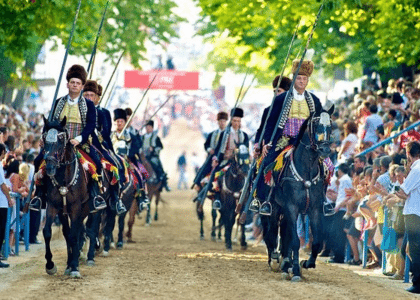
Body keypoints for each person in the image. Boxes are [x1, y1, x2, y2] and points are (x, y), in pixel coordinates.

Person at [251, 57, 333, 216]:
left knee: (329, 166)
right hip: (284, 140)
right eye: (299, 78)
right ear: (294, 79)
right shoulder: (281, 98)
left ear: (308, 81)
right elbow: (270, 124)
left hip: (308, 142)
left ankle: (323, 200)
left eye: (304, 79)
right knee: (265, 163)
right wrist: (267, 143)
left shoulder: (314, 100)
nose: (302, 81)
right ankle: (262, 199)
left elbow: (321, 121)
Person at [30, 64, 106, 213]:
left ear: (82, 86)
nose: (75, 86)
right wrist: (43, 137)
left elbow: (90, 126)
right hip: (59, 144)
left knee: (96, 162)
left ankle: (96, 196)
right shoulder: (59, 102)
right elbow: (50, 123)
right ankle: (39, 196)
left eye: (78, 83)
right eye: (72, 82)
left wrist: (79, 138)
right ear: (68, 84)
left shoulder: (89, 105)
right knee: (39, 160)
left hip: (80, 143)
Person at [83, 80, 126, 214]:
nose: (89, 98)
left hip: (97, 144)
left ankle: (115, 198)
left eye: (91, 95)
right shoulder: (77, 108)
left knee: (115, 164)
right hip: (79, 142)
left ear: (97, 97)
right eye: (86, 95)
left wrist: (98, 135)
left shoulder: (103, 113)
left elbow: (106, 132)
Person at [387, 141, 420, 294]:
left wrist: (397, 194)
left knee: (413, 249)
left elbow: (403, 192)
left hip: (414, 213)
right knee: (409, 248)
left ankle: (418, 282)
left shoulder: (416, 169)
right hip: (415, 212)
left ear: (408, 154)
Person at [211, 107, 249, 210]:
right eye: (234, 121)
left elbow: (246, 150)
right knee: (217, 175)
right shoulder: (224, 134)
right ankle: (218, 199)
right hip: (226, 161)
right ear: (231, 121)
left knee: (250, 177)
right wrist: (216, 159)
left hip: (240, 162)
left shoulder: (244, 135)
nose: (236, 123)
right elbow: (219, 149)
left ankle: (250, 200)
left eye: (238, 121)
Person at [193, 111, 228, 189]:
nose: (222, 123)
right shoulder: (212, 134)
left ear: (226, 122)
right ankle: (199, 187)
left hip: (224, 159)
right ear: (218, 122)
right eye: (220, 121)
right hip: (211, 158)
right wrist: (209, 149)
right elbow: (206, 144)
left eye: (223, 121)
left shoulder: (228, 134)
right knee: (202, 171)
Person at [141, 120, 171, 192]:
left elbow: (160, 147)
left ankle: (163, 182)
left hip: (153, 157)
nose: (148, 128)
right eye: (147, 127)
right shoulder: (142, 137)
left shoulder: (156, 138)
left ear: (152, 128)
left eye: (149, 127)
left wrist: (153, 149)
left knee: (158, 167)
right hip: (143, 157)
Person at [0, 143, 14, 267]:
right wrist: (9, 199)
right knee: (0, 231)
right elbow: (2, 185)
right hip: (1, 203)